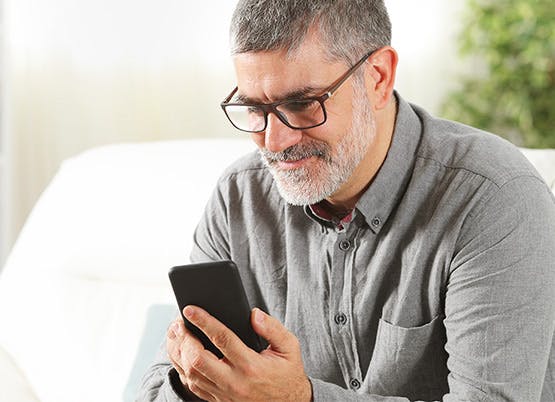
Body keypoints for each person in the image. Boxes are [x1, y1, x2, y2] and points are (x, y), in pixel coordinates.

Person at [137, 1, 555, 401]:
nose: (275, 142)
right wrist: (196, 380)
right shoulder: (237, 200)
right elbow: (157, 387)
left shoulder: (494, 197)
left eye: (302, 104)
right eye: (253, 108)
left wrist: (298, 398)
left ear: (378, 76)